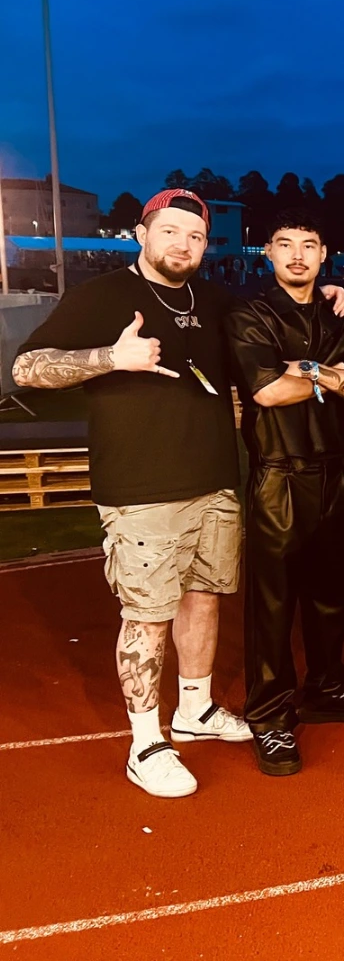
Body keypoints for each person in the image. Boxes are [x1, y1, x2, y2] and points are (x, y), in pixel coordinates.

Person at [12, 189, 252, 797]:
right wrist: (111, 357)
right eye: (170, 231)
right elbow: (26, 368)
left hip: (215, 480)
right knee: (147, 614)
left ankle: (194, 709)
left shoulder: (216, 300)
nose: (183, 245)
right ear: (142, 234)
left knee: (204, 598)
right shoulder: (102, 296)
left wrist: (334, 297)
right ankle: (145, 743)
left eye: (195, 236)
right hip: (142, 488)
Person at [226, 210, 344, 777]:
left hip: (333, 472)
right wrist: (332, 375)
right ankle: (269, 714)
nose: (298, 254)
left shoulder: (335, 313)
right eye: (285, 244)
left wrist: (312, 370)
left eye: (309, 245)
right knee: (272, 605)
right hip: (278, 474)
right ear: (268, 252)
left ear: (324, 254)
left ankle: (325, 686)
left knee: (329, 595)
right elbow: (267, 391)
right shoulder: (250, 312)